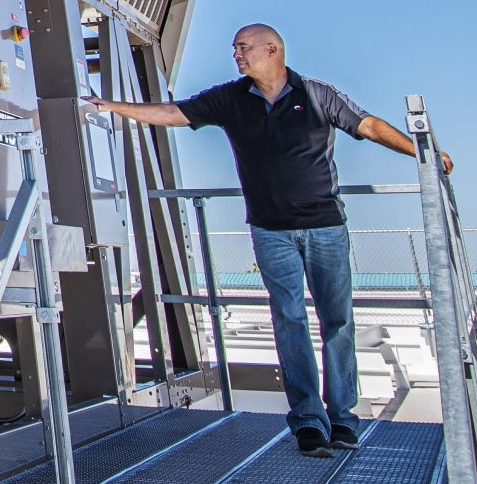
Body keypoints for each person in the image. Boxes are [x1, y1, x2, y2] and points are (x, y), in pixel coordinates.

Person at [87, 24, 449, 457]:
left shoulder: (318, 95)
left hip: (326, 227)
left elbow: (367, 125)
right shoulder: (230, 98)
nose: (236, 55)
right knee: (289, 321)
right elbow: (174, 114)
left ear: (272, 49)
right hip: (269, 230)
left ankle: (343, 419)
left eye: (243, 48)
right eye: (235, 48)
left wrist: (419, 153)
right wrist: (110, 106)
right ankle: (308, 423)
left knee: (338, 323)